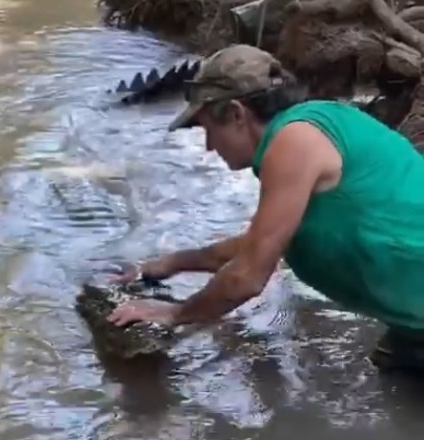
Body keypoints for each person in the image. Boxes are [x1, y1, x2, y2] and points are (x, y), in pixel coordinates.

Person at [107, 44, 424, 373]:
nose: (209, 145)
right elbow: (260, 246)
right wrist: (171, 263)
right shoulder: (313, 127)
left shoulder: (294, 141)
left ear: (236, 114)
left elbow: (248, 276)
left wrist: (174, 313)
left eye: (207, 129)